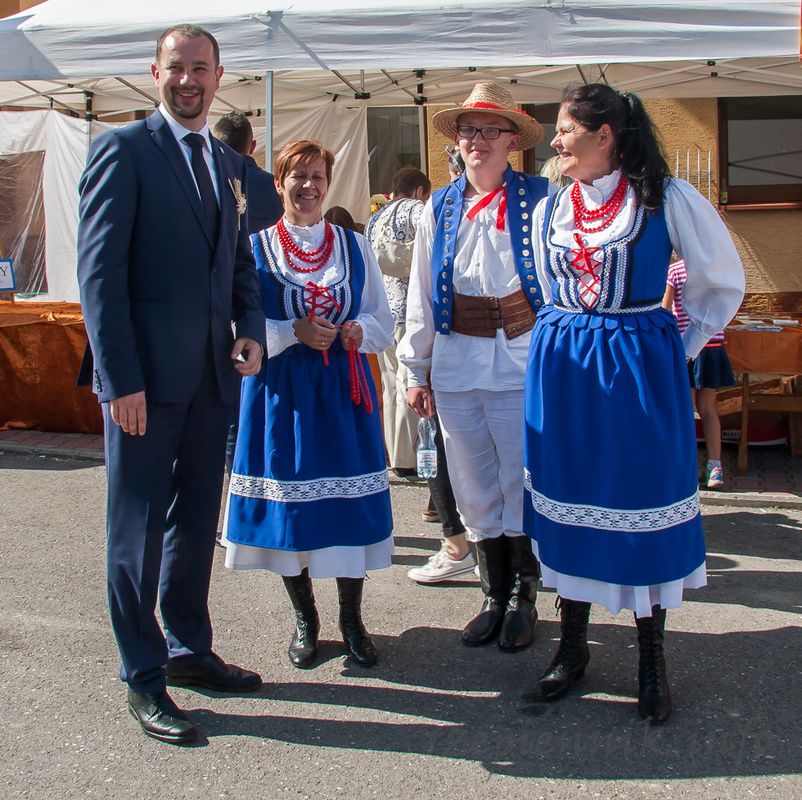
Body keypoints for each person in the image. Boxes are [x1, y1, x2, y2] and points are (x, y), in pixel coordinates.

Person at [523, 83, 744, 723]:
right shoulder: (551, 207)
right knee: (570, 494)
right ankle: (572, 649)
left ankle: (651, 660)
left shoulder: (665, 198)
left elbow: (720, 282)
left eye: (565, 129)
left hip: (637, 368)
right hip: (564, 369)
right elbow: (546, 289)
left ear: (605, 135)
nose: (556, 141)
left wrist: (677, 348)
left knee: (641, 499)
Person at [77, 25, 266, 746]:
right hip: (143, 386)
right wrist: (118, 378)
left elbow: (239, 263)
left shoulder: (228, 163)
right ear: (154, 73)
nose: (189, 80)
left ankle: (188, 648)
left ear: (219, 76)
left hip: (212, 379)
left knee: (192, 525)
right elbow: (99, 276)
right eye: (176, 67)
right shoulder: (122, 150)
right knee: (137, 531)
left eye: (201, 68)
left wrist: (250, 326)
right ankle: (143, 674)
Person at [223, 140, 394, 670]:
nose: (309, 186)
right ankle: (305, 620)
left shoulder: (354, 245)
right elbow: (236, 328)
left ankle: (352, 620)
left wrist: (356, 330)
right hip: (282, 396)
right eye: (297, 176)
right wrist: (290, 332)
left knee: (345, 510)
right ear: (279, 184)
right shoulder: (254, 248)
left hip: (343, 392)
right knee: (293, 512)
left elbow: (383, 320)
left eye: (318, 176)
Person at [399, 82, 552, 651]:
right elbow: (420, 292)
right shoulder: (439, 206)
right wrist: (416, 369)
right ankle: (492, 594)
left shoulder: (543, 199)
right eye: (468, 130)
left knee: (519, 480)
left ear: (512, 139)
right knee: (471, 484)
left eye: (490, 130)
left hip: (519, 361)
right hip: (457, 361)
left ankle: (523, 599)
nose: (477, 140)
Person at [212, 111, 283, 478]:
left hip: (220, 306)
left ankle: (237, 483)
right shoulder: (274, 187)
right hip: (269, 304)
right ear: (252, 145)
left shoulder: (209, 183)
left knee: (229, 410)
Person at [365, 166, 431, 479]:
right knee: (409, 382)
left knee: (390, 385)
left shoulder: (375, 217)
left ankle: (394, 453)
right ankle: (409, 458)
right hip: (408, 308)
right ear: (419, 191)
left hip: (382, 313)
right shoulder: (416, 210)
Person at [664, 259, 736, 489]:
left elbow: (666, 310)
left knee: (686, 411)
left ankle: (688, 467)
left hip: (685, 346)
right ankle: (715, 468)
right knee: (708, 409)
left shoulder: (675, 270)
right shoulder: (716, 268)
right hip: (713, 344)